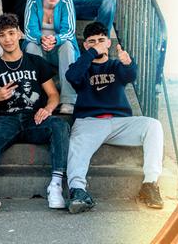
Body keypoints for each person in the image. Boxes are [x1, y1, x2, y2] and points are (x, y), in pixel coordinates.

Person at [0, 14, 70, 214]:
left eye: (11, 33)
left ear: (19, 34)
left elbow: (53, 95)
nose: (8, 39)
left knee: (60, 125)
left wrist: (47, 109)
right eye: (2, 35)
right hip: (6, 119)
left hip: (34, 118)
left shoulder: (36, 62)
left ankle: (55, 185)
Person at [65, 22, 164, 212]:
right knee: (77, 144)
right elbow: (72, 76)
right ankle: (78, 191)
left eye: (101, 40)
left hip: (120, 123)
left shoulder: (116, 65)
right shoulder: (82, 67)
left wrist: (128, 63)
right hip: (90, 122)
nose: (97, 45)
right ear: (85, 45)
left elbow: (130, 75)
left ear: (109, 43)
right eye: (92, 42)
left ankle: (150, 184)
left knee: (153, 125)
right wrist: (92, 53)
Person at [23, 0, 79, 114]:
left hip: (58, 49)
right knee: (31, 46)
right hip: (39, 47)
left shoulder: (66, 2)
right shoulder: (33, 1)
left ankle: (68, 100)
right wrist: (42, 39)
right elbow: (29, 31)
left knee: (67, 45)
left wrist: (55, 40)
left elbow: (69, 31)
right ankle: (36, 98)